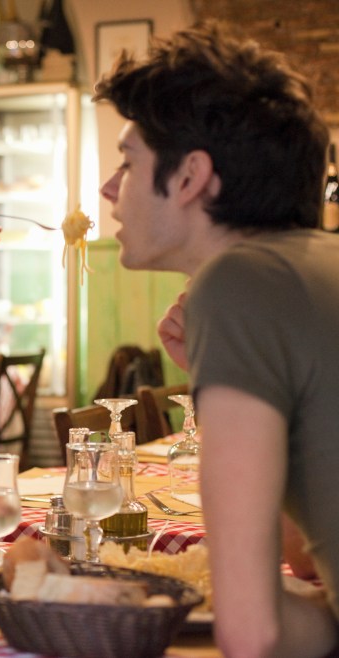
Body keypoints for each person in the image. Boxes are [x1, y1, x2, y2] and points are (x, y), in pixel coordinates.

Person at [96, 23, 339, 657]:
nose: (109, 189)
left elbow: (252, 635)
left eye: (128, 161)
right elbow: (310, 561)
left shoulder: (235, 284)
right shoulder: (316, 268)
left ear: (189, 177)